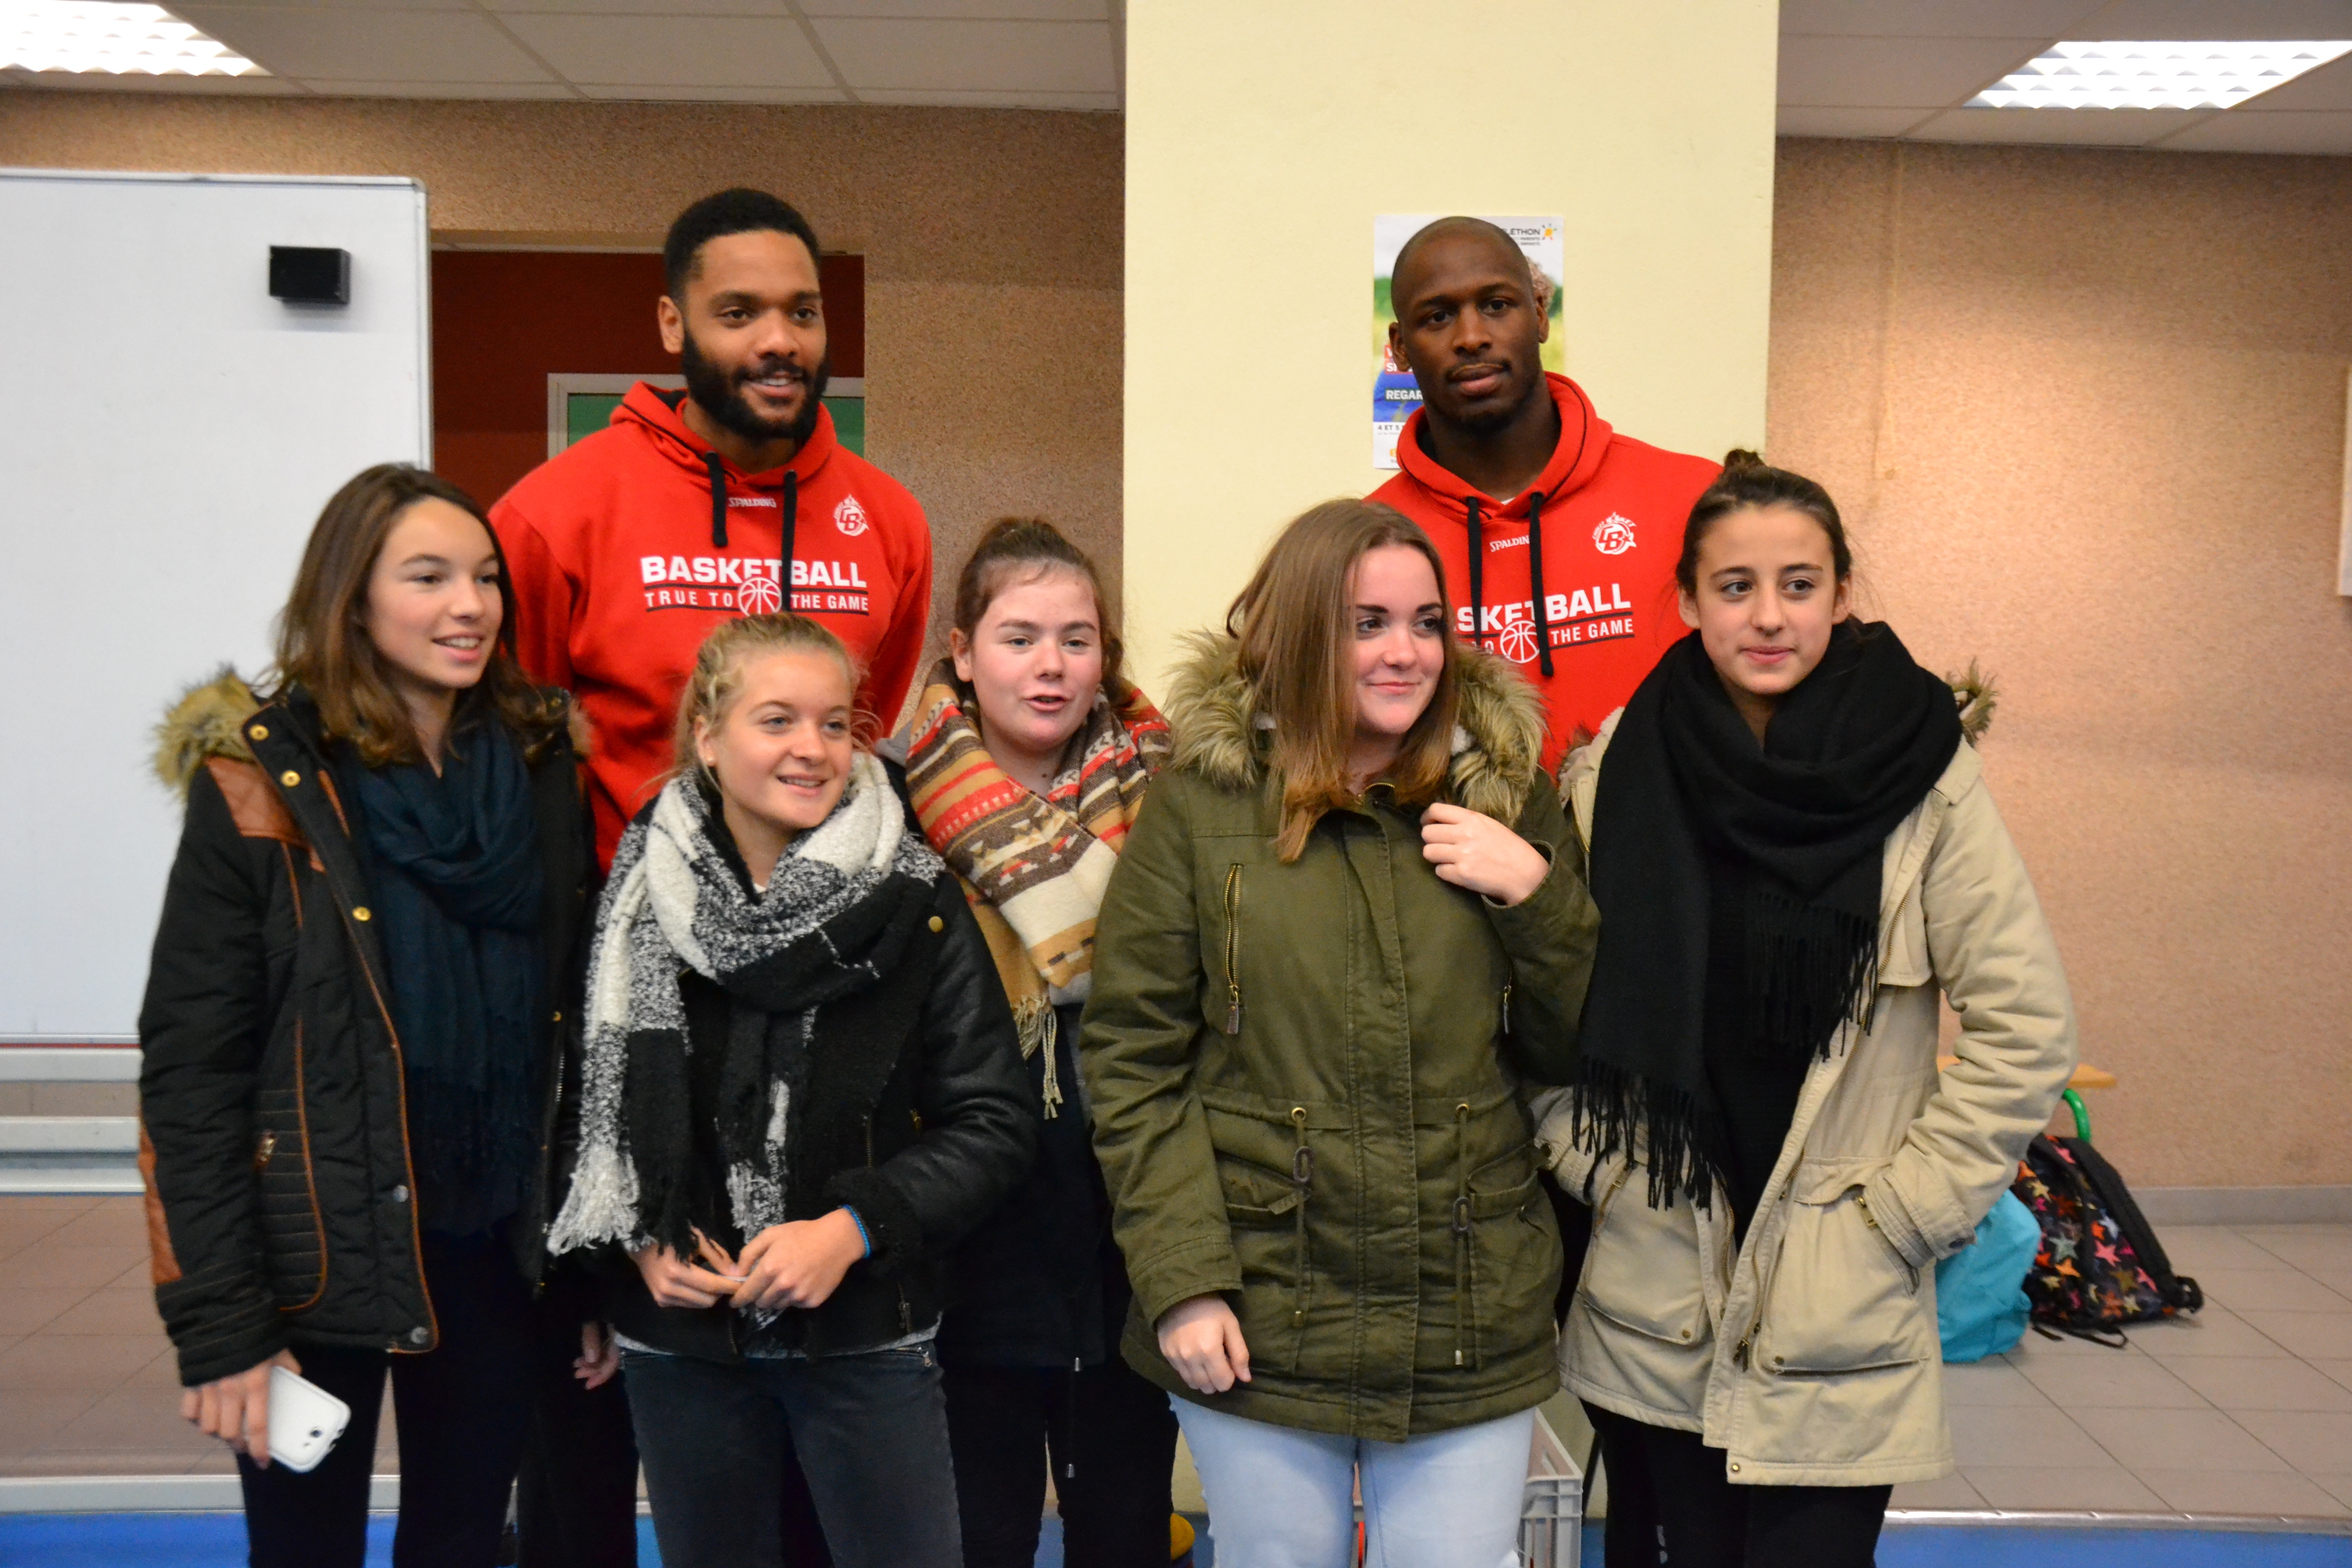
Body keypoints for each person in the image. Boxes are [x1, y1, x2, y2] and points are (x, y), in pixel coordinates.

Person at [1537, 453, 2077, 1567]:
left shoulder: (1924, 778)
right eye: (1736, 587)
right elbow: (1541, 1010)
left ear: (1842, 593)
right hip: (1660, 1278)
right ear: (1688, 600)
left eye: (1800, 583)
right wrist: (1596, 1169)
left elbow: (2026, 1026)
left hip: (1838, 1293)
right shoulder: (1615, 773)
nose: (1769, 616)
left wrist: (1902, 1217)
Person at [1080, 500, 1603, 1566]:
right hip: (1262, 1299)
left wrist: (1536, 895)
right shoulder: (1201, 805)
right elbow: (1135, 1064)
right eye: (1367, 622)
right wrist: (1182, 1279)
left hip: (1468, 1299)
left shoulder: (1509, 798)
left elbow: (1580, 1050)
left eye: (1427, 621)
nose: (1406, 652)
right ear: (1296, 629)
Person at [138, 464, 595, 1567]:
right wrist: (222, 1328)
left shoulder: (539, 767)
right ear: (353, 600)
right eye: (428, 577)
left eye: (485, 579)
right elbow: (193, 1072)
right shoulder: (260, 780)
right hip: (315, 1258)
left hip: (491, 1246)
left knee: (461, 1543)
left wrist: (587, 1271)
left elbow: (576, 1036)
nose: (470, 606)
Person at [546, 612, 1034, 1568]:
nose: (811, 750)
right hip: (682, 1344)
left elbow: (994, 1122)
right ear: (708, 735)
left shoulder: (915, 897)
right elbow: (578, 1111)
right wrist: (637, 1245)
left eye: (836, 724)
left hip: (867, 1339)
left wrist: (847, 1231)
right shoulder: (635, 898)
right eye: (776, 721)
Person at [493, 186, 934, 873]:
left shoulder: (890, 520)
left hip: (829, 926)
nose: (780, 341)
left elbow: (861, 729)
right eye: (738, 313)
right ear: (673, 324)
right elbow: (517, 746)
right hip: (626, 918)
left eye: (804, 313)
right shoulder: (552, 514)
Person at [901, 519, 1182, 1568]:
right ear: (963, 653)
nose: (1052, 666)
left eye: (1078, 638)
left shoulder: (1179, 800)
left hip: (1129, 1249)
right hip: (966, 1260)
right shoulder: (892, 816)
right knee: (978, 1540)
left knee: (1124, 1538)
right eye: (1020, 638)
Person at [1372, 215, 1722, 770]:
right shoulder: (1368, 540)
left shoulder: (1697, 499)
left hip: (1663, 848)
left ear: (1539, 314)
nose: (1471, 337)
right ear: (1401, 348)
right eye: (1438, 317)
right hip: (1450, 851)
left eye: (1496, 305)